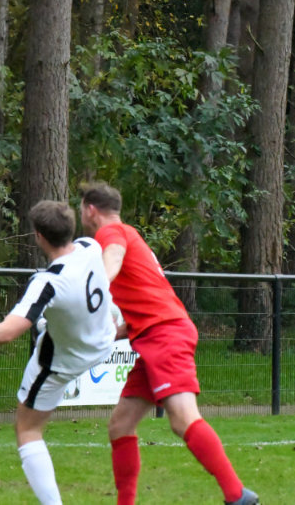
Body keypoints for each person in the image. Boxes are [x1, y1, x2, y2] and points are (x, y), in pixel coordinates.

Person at [79, 182, 259, 505]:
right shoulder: (129, 234)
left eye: (81, 208)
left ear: (90, 210)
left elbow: (112, 261)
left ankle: (237, 496)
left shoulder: (111, 233)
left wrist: (94, 291)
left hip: (165, 336)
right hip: (154, 336)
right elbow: (146, 304)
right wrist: (111, 333)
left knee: (182, 419)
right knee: (120, 425)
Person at [0, 200, 118, 505]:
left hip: (60, 364)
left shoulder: (47, 282)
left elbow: (6, 333)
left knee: (28, 430)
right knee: (60, 321)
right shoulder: (91, 247)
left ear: (39, 237)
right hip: (102, 343)